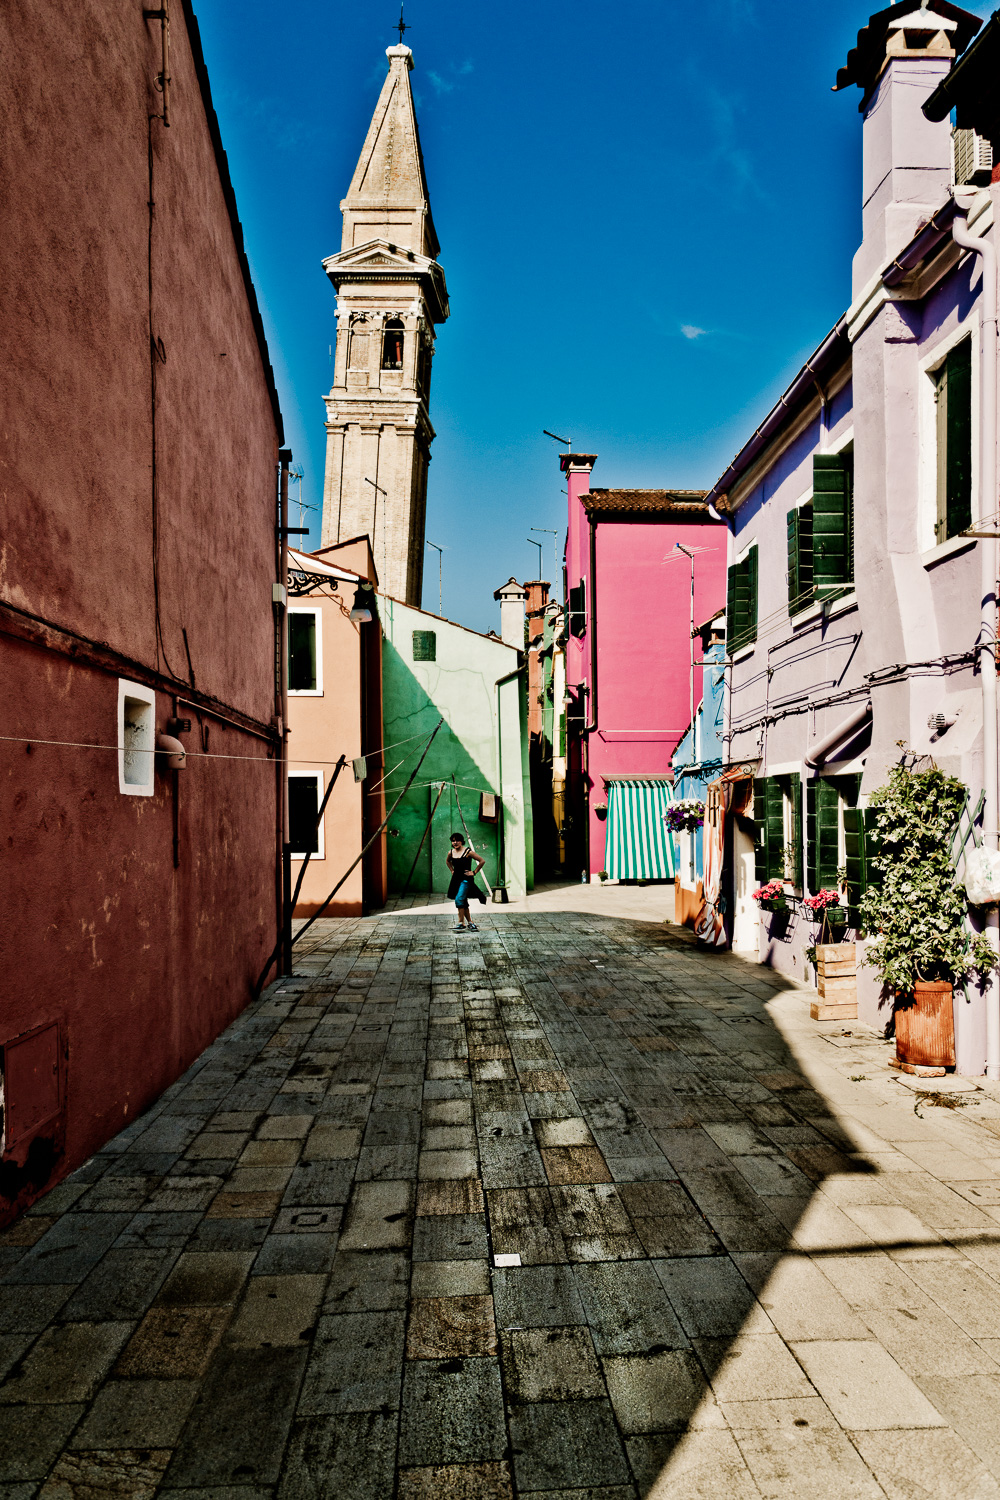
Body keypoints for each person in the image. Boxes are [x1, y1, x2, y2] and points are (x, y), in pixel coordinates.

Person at [447, 832, 485, 932]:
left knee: (459, 899)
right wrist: (452, 870)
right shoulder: (451, 852)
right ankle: (470, 923)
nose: (455, 842)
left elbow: (482, 861)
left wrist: (474, 872)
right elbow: (447, 861)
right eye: (453, 840)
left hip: (466, 880)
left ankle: (461, 923)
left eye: (457, 840)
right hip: (456, 879)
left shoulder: (468, 852)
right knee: (463, 901)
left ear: (461, 841)